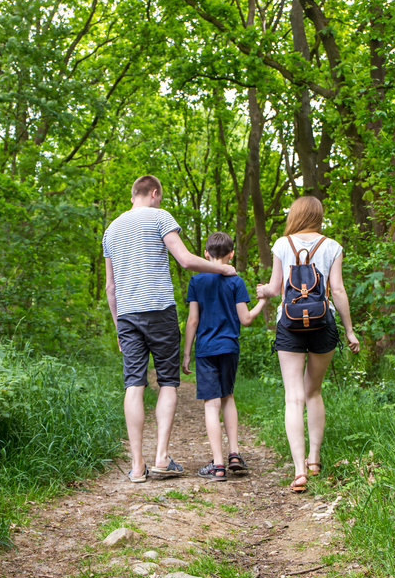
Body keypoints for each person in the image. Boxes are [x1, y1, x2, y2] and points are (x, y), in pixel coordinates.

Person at [103, 175, 237, 483]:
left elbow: (111, 287)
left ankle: (137, 467)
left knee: (133, 384)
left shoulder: (111, 230)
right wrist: (222, 268)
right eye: (159, 198)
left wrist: (118, 326)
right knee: (167, 382)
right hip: (159, 310)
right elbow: (187, 260)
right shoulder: (160, 217)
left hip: (127, 315)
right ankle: (162, 458)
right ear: (153, 193)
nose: (159, 202)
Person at [255, 196, 360, 493]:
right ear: (318, 215)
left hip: (289, 324)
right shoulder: (332, 246)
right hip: (322, 322)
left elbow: (275, 289)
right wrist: (350, 331)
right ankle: (314, 459)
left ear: (296, 214)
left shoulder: (281, 244)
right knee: (314, 392)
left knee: (294, 397)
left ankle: (299, 470)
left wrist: (263, 289)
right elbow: (337, 290)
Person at [182, 232, 267, 482]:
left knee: (211, 403)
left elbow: (193, 320)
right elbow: (246, 319)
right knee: (228, 396)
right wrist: (262, 301)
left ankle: (218, 465)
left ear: (206, 254)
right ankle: (234, 455)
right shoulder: (236, 281)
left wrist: (186, 352)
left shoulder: (196, 280)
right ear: (231, 254)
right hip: (229, 347)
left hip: (206, 349)